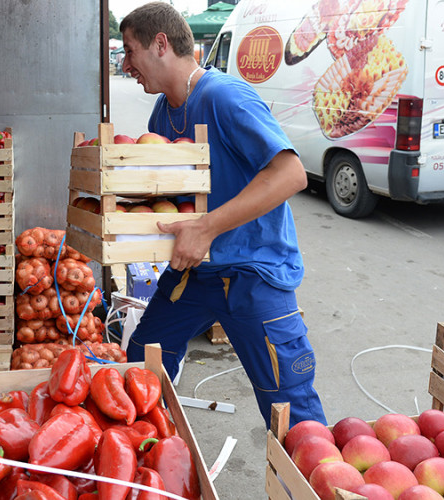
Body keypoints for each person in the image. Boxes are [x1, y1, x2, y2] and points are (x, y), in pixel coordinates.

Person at [119, 2, 326, 428]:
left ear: (160, 44)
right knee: (140, 365)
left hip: (254, 274)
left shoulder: (223, 97)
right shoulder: (163, 112)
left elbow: (290, 175)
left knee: (291, 412)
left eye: (129, 50)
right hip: (194, 273)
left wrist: (207, 228)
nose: (126, 64)